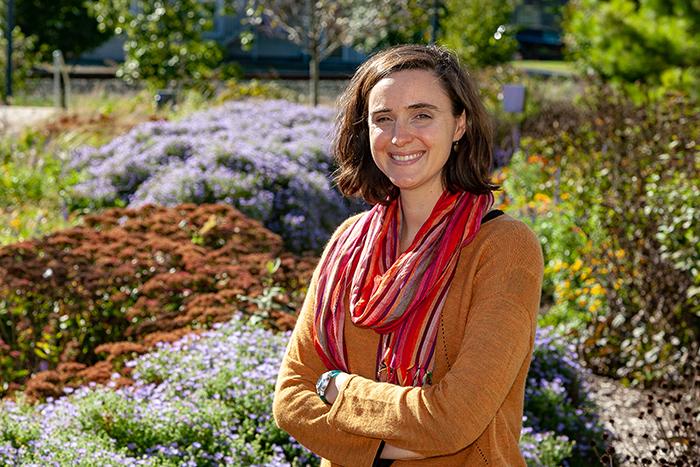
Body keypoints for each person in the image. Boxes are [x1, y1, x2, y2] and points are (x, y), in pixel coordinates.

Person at [273, 44, 544, 466]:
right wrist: (396, 441)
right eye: (383, 119)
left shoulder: (504, 248)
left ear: (459, 124)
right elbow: (290, 399)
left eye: (422, 114)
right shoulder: (348, 243)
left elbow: (454, 421)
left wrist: (337, 390)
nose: (400, 136)